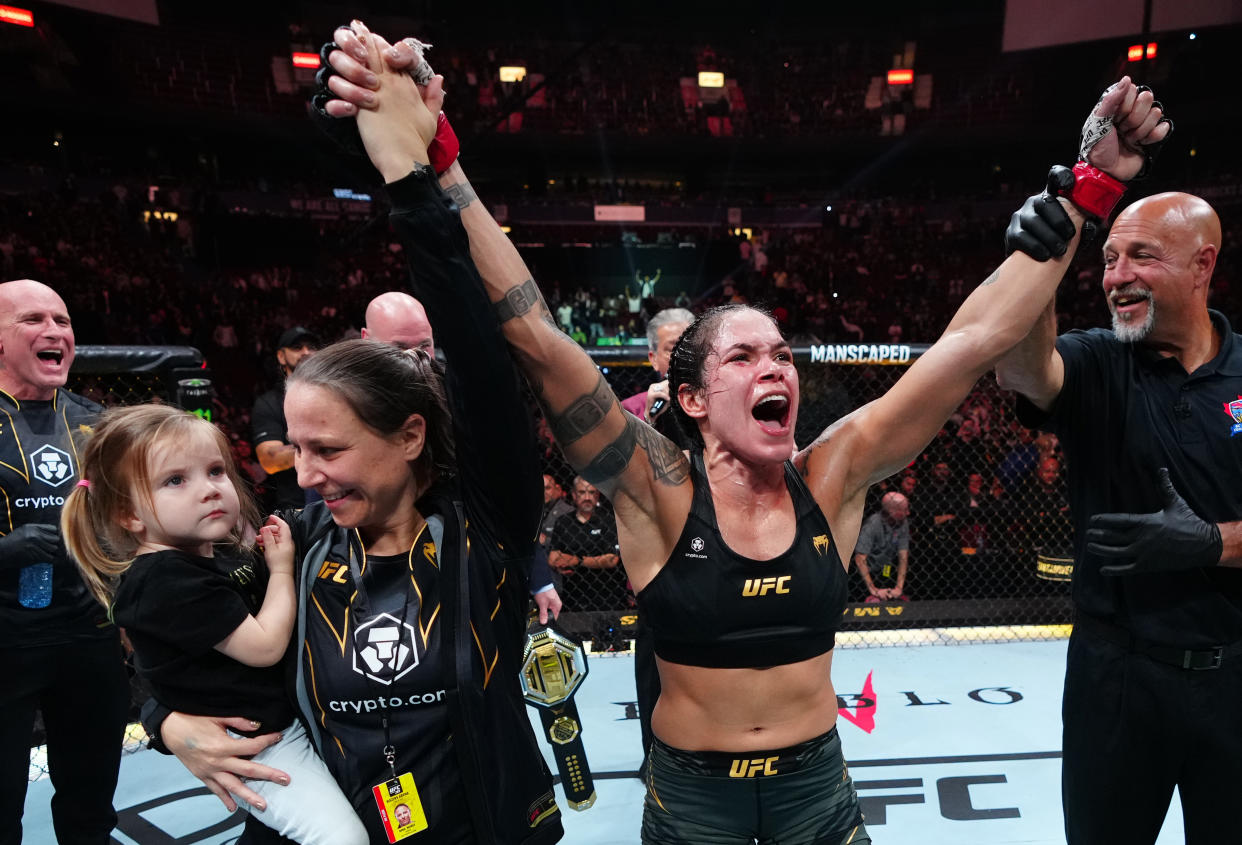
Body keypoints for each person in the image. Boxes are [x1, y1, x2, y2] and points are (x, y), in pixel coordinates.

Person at [322, 31, 1160, 844]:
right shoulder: (654, 486)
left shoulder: (834, 470)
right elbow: (536, 333)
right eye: (746, 355)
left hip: (816, 786)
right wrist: (441, 159)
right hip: (692, 798)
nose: (777, 369)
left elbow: (971, 342)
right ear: (689, 395)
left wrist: (1086, 193)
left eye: (783, 355)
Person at [146, 42, 563, 839]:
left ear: (410, 435)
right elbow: (173, 640)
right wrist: (168, 721)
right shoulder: (289, 548)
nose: (303, 476)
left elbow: (480, 355)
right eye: (296, 448)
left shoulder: (483, 524)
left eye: (328, 450)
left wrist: (410, 176)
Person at [998, 188, 1241, 841]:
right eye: (1108, 259)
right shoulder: (1099, 359)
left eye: (1141, 255)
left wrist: (1212, 543)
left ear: (1202, 264)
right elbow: (1024, 371)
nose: (1117, 276)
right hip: (1118, 678)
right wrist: (1038, 263)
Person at [62, 404, 367, 845]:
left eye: (216, 471)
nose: (208, 490)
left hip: (290, 724)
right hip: (259, 743)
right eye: (175, 480)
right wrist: (281, 569)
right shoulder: (162, 577)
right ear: (128, 514)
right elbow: (263, 647)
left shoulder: (211, 554)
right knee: (341, 838)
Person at [0, 279, 129, 845]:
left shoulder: (97, 424)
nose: (55, 332)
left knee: (90, 802)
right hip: (4, 642)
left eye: (63, 320)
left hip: (88, 636)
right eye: (34, 320)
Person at [363, 290, 562, 624]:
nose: (414, 357)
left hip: (460, 563)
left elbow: (504, 494)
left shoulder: (458, 401)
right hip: (376, 567)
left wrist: (537, 576)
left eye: (424, 345)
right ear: (368, 341)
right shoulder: (345, 404)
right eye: (398, 347)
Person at [252, 327, 319, 511]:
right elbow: (270, 460)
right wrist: (324, 444)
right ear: (281, 357)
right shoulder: (269, 403)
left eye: (311, 347)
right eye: (297, 347)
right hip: (297, 509)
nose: (306, 352)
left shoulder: (336, 394)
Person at [546, 476, 625, 612]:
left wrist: (577, 560)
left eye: (592, 492)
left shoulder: (609, 521)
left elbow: (612, 560)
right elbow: (553, 557)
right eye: (582, 492)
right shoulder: (563, 522)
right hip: (573, 597)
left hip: (607, 596)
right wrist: (560, 565)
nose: (587, 497)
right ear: (574, 495)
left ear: (597, 495)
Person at [852, 492, 911, 602]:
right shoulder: (873, 524)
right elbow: (860, 558)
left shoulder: (902, 523)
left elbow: (903, 555)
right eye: (904, 510)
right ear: (892, 512)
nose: (908, 513)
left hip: (886, 568)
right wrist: (873, 589)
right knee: (872, 600)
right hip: (866, 572)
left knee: (891, 592)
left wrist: (899, 587)